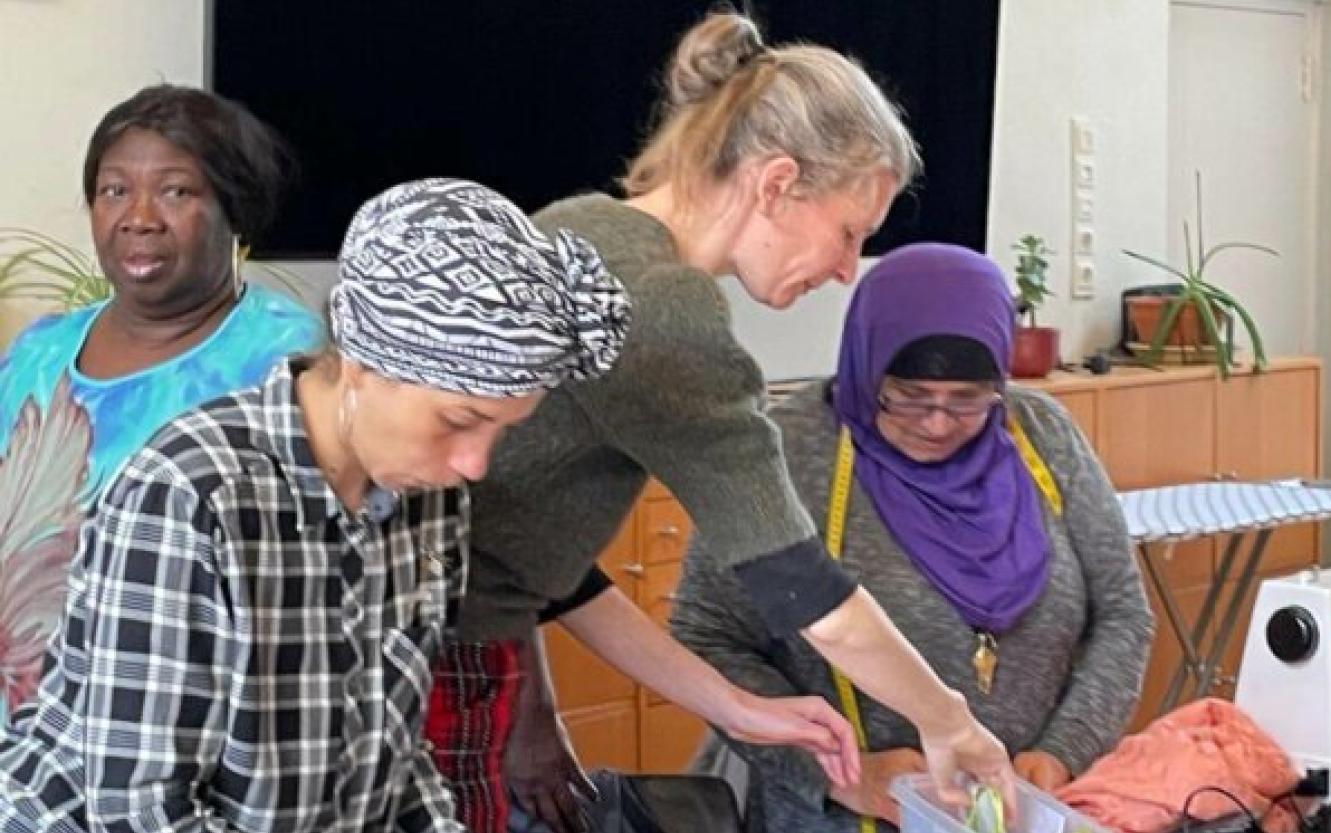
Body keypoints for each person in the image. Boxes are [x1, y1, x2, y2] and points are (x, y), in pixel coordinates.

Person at [438, 11, 1015, 832]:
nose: (850, 268)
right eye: (850, 232)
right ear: (776, 182)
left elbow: (540, 563)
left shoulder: (584, 224)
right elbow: (805, 591)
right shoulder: (667, 313)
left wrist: (736, 707)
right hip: (438, 663)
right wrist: (950, 719)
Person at [0, 178, 630, 833]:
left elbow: (392, 755)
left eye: (502, 429)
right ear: (360, 362)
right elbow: (141, 812)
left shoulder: (428, 504)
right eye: (458, 420)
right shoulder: (191, 493)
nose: (474, 462)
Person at [671, 243, 1154, 831]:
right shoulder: (786, 453)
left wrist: (1062, 750)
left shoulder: (1044, 436)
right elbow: (709, 635)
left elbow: (1124, 613)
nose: (938, 423)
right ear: (866, 367)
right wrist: (839, 773)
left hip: (1016, 813)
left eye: (969, 401)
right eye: (908, 397)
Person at [0, 84, 322, 713]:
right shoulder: (40, 351)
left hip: (171, 730)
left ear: (236, 209)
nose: (139, 217)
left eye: (176, 191)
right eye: (114, 190)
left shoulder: (283, 360)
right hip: (22, 737)